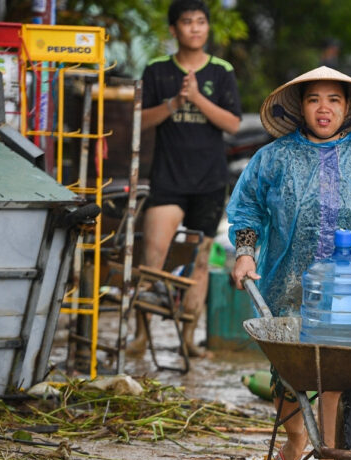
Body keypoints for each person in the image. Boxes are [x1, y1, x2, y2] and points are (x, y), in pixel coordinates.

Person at [226, 66, 351, 460]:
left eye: (334, 100)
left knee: (336, 369)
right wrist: (245, 252)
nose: (324, 109)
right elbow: (248, 207)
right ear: (300, 107)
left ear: (347, 109)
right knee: (290, 372)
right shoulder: (274, 157)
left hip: (350, 288)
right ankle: (296, 439)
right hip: (288, 286)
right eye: (314, 100)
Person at [129, 0, 242, 358]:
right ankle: (141, 337)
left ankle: (189, 339)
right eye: (187, 22)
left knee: (201, 260)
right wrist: (173, 105)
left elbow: (232, 124)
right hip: (167, 179)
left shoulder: (222, 71)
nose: (195, 28)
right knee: (153, 257)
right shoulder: (157, 70)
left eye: (200, 22)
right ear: (174, 30)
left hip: (209, 181)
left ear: (207, 28)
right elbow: (140, 121)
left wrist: (195, 98)